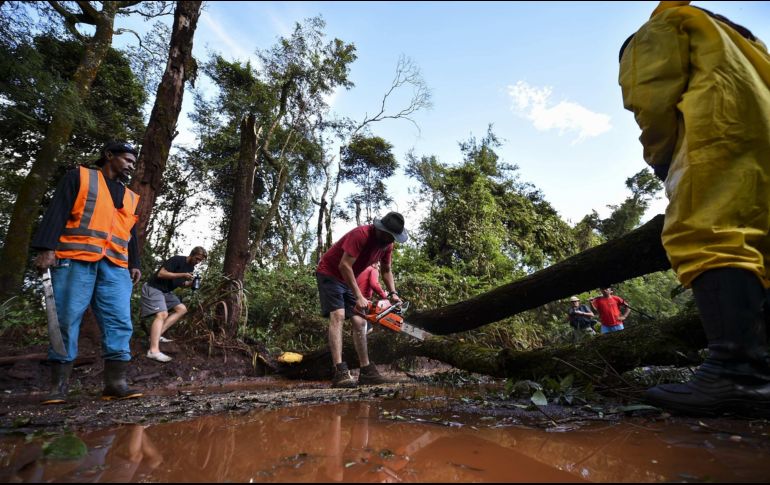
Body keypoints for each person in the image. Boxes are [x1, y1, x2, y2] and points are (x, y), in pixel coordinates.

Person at [619, 1, 770, 415]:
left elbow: (651, 97)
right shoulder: (739, 36)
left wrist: (662, 157)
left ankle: (736, 374)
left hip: (720, 128)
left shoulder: (661, 26)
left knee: (707, 233)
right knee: (762, 249)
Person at [32, 140, 143, 404]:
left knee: (119, 320)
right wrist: (46, 247)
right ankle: (59, 386)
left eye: (133, 163)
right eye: (127, 160)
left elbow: (131, 233)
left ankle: (115, 383)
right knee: (66, 318)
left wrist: (135, 262)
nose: (131, 166)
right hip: (75, 258)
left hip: (115, 265)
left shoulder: (129, 195)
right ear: (109, 156)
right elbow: (57, 210)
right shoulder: (79, 177)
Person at [316, 212, 407, 388]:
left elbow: (386, 270)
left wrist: (392, 293)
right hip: (330, 272)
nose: (389, 240)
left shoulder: (387, 246)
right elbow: (344, 265)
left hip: (347, 278)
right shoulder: (361, 234)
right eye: (387, 235)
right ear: (380, 229)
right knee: (339, 315)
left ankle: (366, 371)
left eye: (392, 237)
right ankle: (340, 372)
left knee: (360, 321)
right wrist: (358, 295)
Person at [140, 247, 207, 362]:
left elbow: (181, 283)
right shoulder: (177, 260)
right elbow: (161, 274)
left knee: (182, 309)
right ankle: (153, 351)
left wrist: (190, 283)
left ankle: (156, 335)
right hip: (154, 287)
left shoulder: (190, 267)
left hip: (166, 292)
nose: (198, 262)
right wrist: (182, 274)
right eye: (197, 259)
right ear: (192, 254)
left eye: (200, 261)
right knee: (162, 314)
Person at [356, 261, 388, 334]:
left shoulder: (363, 270)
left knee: (362, 326)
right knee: (367, 329)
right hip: (363, 301)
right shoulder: (373, 269)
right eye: (379, 266)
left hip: (355, 299)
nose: (379, 268)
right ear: (374, 263)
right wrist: (385, 295)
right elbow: (374, 284)